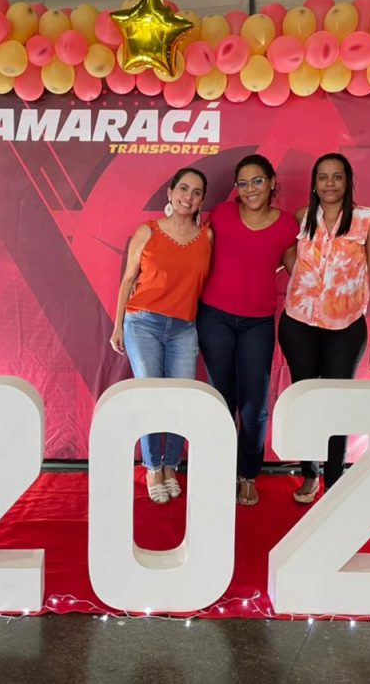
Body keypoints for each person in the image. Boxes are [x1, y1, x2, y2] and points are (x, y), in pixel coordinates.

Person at [279, 152, 370, 504]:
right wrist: (301, 275)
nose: (330, 183)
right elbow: (283, 254)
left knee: (337, 404)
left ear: (348, 181)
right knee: (307, 400)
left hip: (345, 328)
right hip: (299, 324)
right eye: (323, 177)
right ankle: (309, 475)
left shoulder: (367, 221)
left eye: (337, 176)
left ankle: (333, 479)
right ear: (314, 183)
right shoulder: (302, 219)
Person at [197, 154, 298, 506]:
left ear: (272, 182)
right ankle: (221, 470)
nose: (250, 189)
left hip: (257, 323)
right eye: (243, 183)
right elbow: (195, 252)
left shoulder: (286, 225)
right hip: (215, 319)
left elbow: (300, 273)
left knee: (255, 406)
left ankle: (248, 475)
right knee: (222, 398)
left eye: (257, 181)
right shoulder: (222, 214)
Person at [110, 168, 212, 504]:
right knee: (151, 398)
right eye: (183, 188)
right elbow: (128, 279)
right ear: (170, 193)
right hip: (143, 323)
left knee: (181, 400)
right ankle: (153, 467)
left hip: (184, 328)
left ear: (202, 200)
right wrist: (117, 325)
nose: (188, 197)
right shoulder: (148, 231)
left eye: (196, 192)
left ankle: (171, 465)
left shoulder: (207, 237)